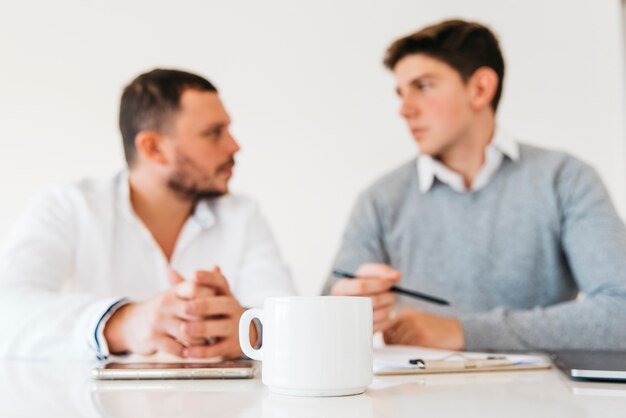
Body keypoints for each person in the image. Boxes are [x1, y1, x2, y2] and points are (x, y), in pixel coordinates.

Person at [323, 19, 626, 352]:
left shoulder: (565, 179)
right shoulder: (380, 199)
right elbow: (321, 314)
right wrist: (344, 306)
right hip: (416, 399)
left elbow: (620, 312)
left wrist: (463, 332)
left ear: (480, 89)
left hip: (541, 400)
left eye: (422, 86)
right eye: (401, 92)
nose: (405, 110)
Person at [0, 69, 295, 360]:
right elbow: (8, 311)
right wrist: (122, 323)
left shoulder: (242, 215)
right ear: (153, 148)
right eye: (213, 133)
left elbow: (291, 322)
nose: (234, 145)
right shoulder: (68, 206)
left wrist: (249, 329)